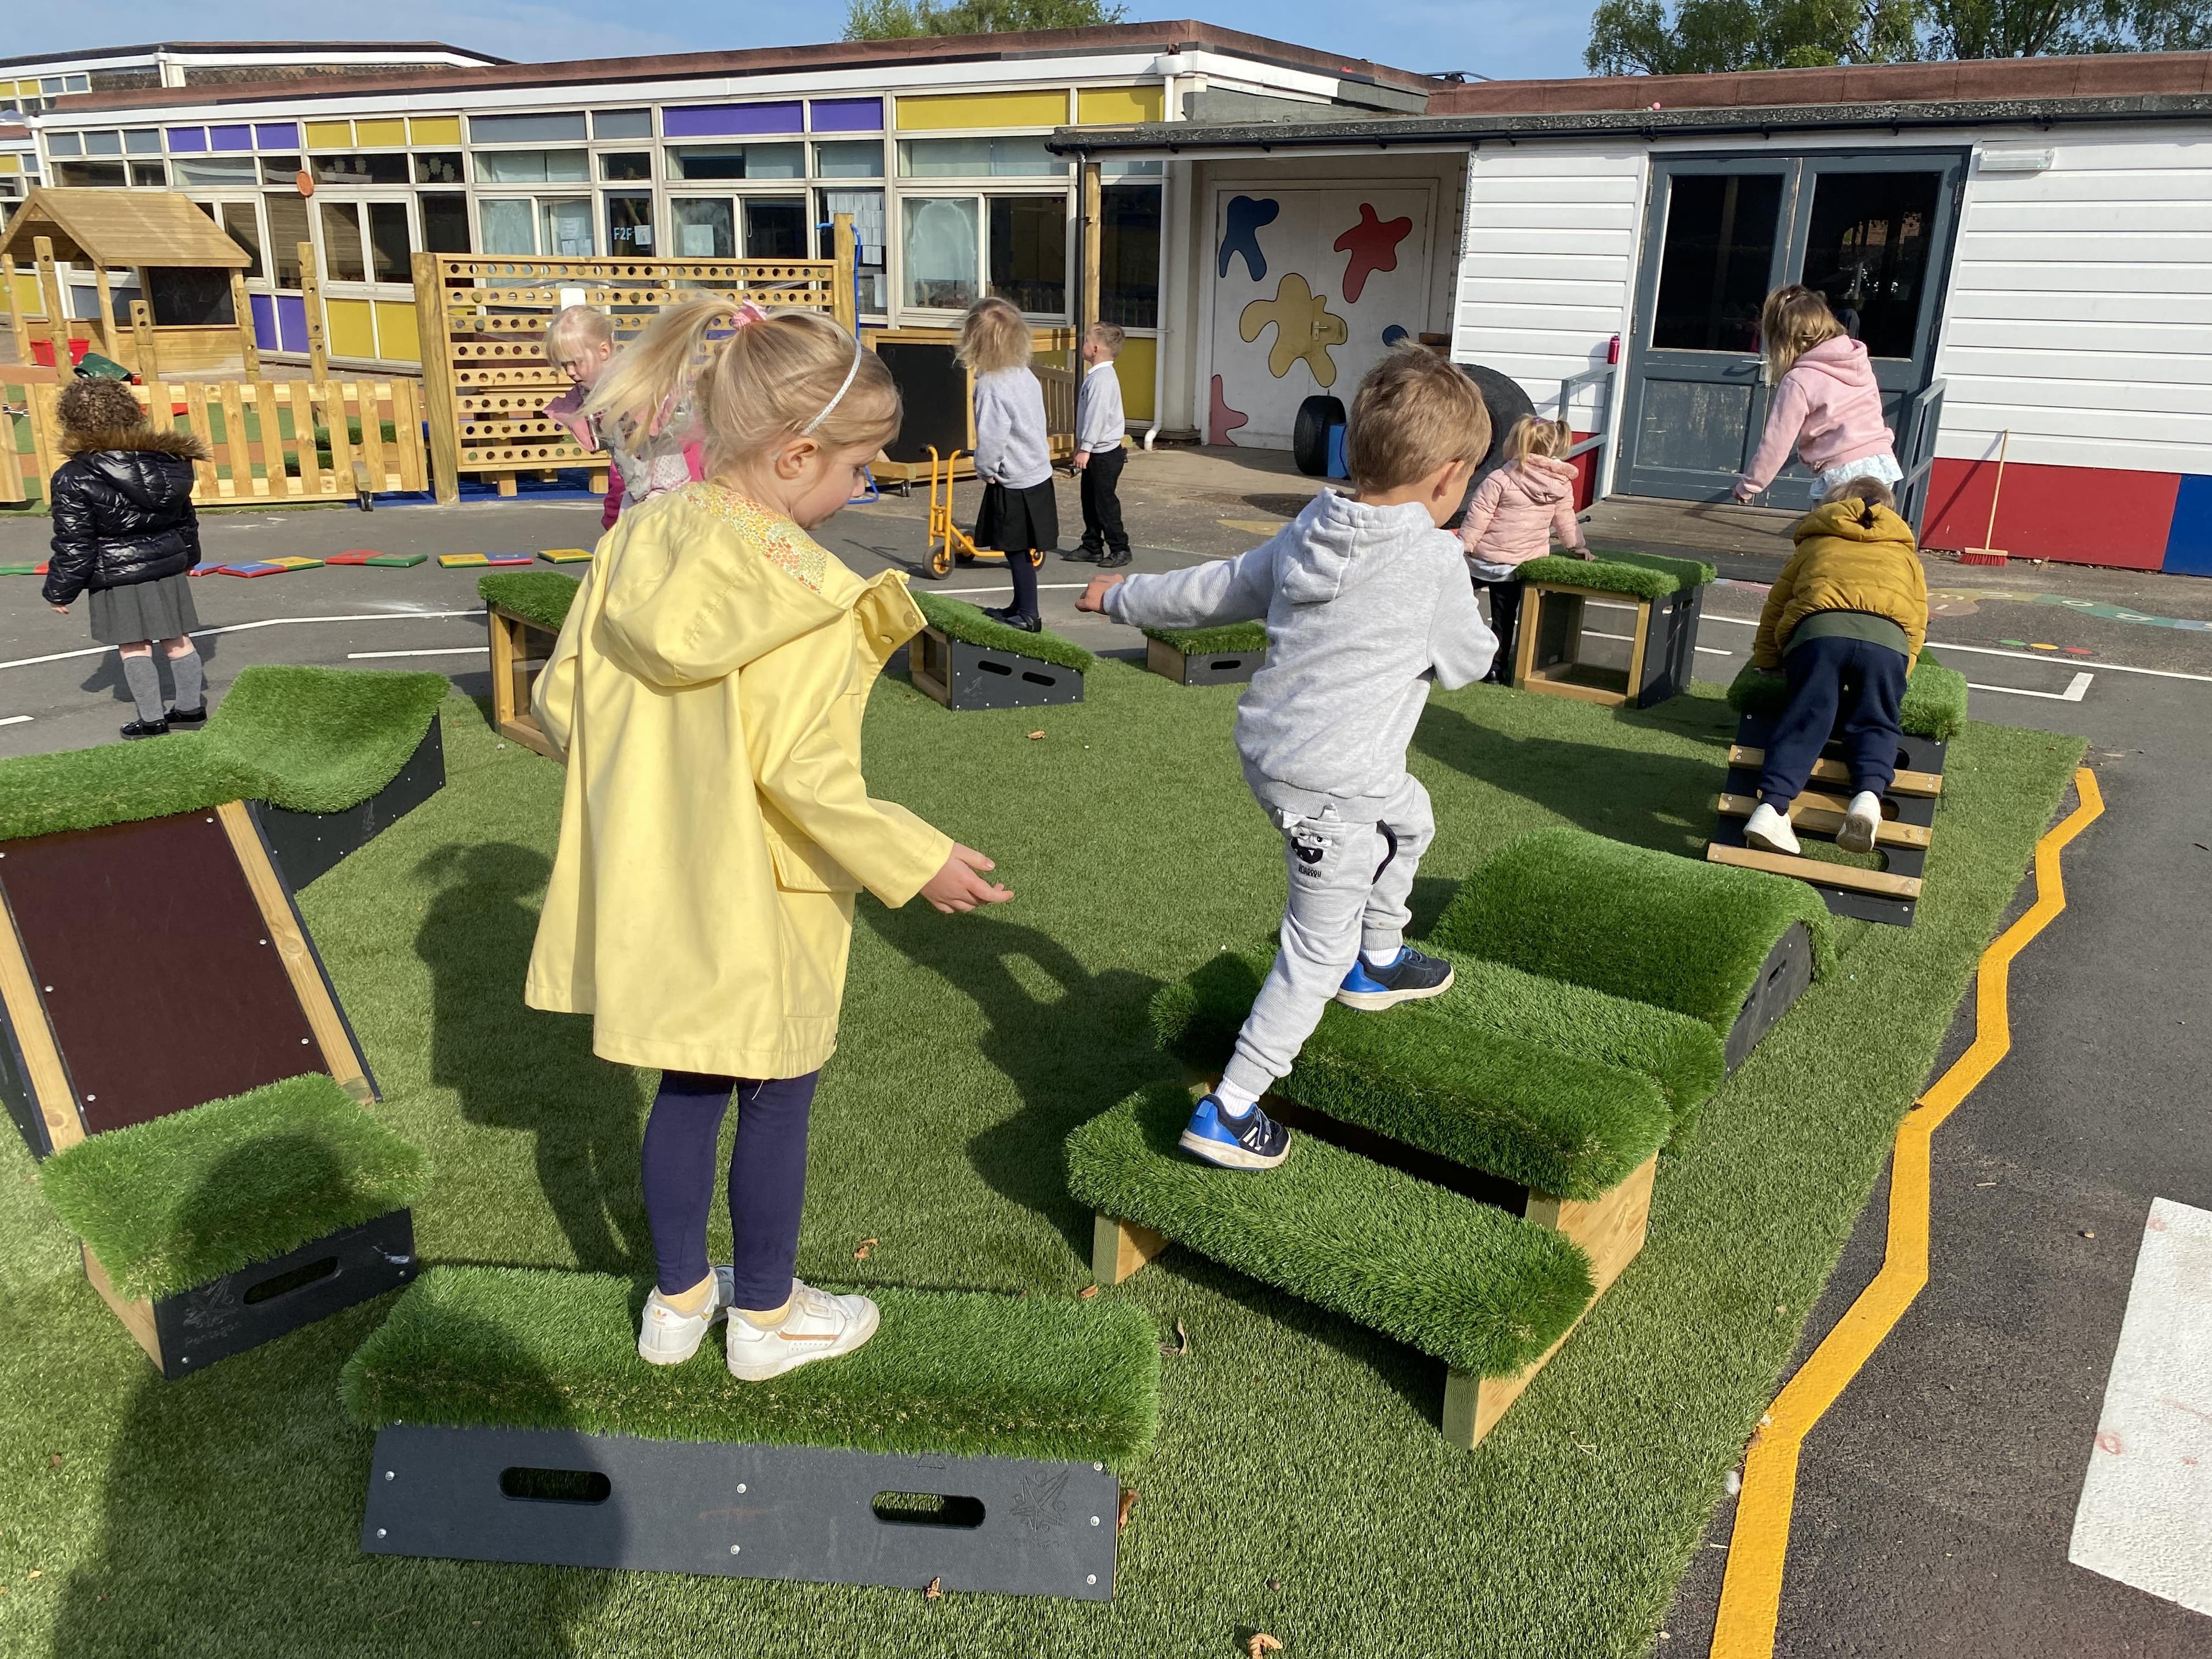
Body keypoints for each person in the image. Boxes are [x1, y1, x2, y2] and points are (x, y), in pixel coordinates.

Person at [525, 299, 1013, 1379]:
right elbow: (806, 777)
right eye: (860, 468)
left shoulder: (639, 534)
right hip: (760, 899)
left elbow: (563, 699)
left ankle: (676, 1302)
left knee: (686, 1090)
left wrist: (651, 789)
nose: (864, 489)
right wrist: (913, 857)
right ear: (795, 456)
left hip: (656, 888)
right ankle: (766, 1316)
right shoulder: (810, 593)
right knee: (777, 1095)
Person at [1076, 345, 1496, 1171]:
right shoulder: (1435, 558)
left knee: (1410, 818)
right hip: (1329, 785)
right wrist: (1468, 595)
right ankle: (1231, 1110)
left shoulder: (1316, 523)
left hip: (1282, 754)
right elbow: (1469, 662)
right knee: (1313, 951)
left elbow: (1221, 587)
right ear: (1450, 479)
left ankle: (1379, 959)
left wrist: (1122, 595)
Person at [1744, 476, 1927, 858]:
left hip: (1819, 633)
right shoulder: (1905, 553)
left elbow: (1776, 604)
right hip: (1886, 639)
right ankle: (1867, 798)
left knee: (1805, 718)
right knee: (1877, 720)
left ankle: (1773, 807)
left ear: (1831, 508)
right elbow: (1920, 615)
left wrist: (1767, 661)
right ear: (1888, 512)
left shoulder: (1816, 543)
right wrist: (1902, 669)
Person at [43, 377, 210, 740]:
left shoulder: (73, 475)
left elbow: (75, 541)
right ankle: (190, 709)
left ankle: (151, 720)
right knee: (178, 639)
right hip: (167, 566)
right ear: (131, 413)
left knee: (134, 646)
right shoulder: (168, 461)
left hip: (115, 571)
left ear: (72, 420)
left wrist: (61, 590)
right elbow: (185, 518)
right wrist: (188, 558)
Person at [1733, 285, 1901, 505]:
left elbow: (1777, 443)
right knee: (1873, 533)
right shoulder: (1857, 360)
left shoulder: (1799, 379)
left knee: (1826, 536)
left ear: (1783, 341)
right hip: (1881, 463)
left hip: (1843, 473)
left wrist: (1750, 485)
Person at [1457, 415, 1594, 682]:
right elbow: (1566, 518)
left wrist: (1462, 546)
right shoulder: (1561, 484)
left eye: (1508, 438)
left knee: (1453, 598)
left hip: (1485, 559)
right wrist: (1578, 547)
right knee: (1504, 618)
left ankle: (1455, 652)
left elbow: (1479, 516)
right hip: (1521, 565)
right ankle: (1496, 669)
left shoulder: (1500, 479)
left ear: (1517, 446)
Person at [959, 296, 1054, 632]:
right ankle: (1018, 605)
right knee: (1020, 548)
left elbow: (992, 436)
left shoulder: (990, 385)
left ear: (975, 341)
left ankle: (1029, 613)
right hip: (1037, 471)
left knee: (1015, 550)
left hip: (1012, 478)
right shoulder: (1024, 374)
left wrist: (985, 469)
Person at [583, 302, 721, 530]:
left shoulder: (678, 422)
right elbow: (621, 481)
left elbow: (621, 481)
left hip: (675, 512)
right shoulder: (641, 426)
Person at [539, 305, 627, 532]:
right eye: (563, 364)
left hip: (665, 469)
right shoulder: (588, 387)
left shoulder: (631, 381)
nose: (569, 371)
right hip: (627, 464)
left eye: (576, 362)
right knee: (616, 512)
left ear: (604, 352)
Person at [1070, 321, 1131, 569]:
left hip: (1104, 453)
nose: (1082, 346)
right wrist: (1083, 446)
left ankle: (1120, 548)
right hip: (1096, 450)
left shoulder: (1102, 380)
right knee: (1090, 500)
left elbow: (1096, 416)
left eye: (1085, 341)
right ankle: (1092, 545)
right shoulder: (1096, 377)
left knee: (1104, 503)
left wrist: (1085, 447)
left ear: (1095, 349)